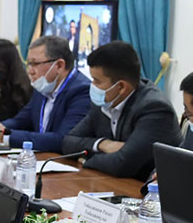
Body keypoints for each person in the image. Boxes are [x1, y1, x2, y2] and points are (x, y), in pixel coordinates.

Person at [62, 41, 182, 180]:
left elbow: (122, 164)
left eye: (97, 81)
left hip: (143, 188)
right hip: (111, 182)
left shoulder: (155, 108)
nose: (92, 85)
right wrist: (102, 144)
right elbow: (68, 142)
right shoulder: (104, 102)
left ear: (121, 87)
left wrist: (85, 159)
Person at [0, 36, 90, 152]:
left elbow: (64, 139)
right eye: (28, 64)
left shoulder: (82, 91)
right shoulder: (44, 85)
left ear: (59, 66)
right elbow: (21, 120)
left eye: (35, 64)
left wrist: (6, 136)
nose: (30, 71)